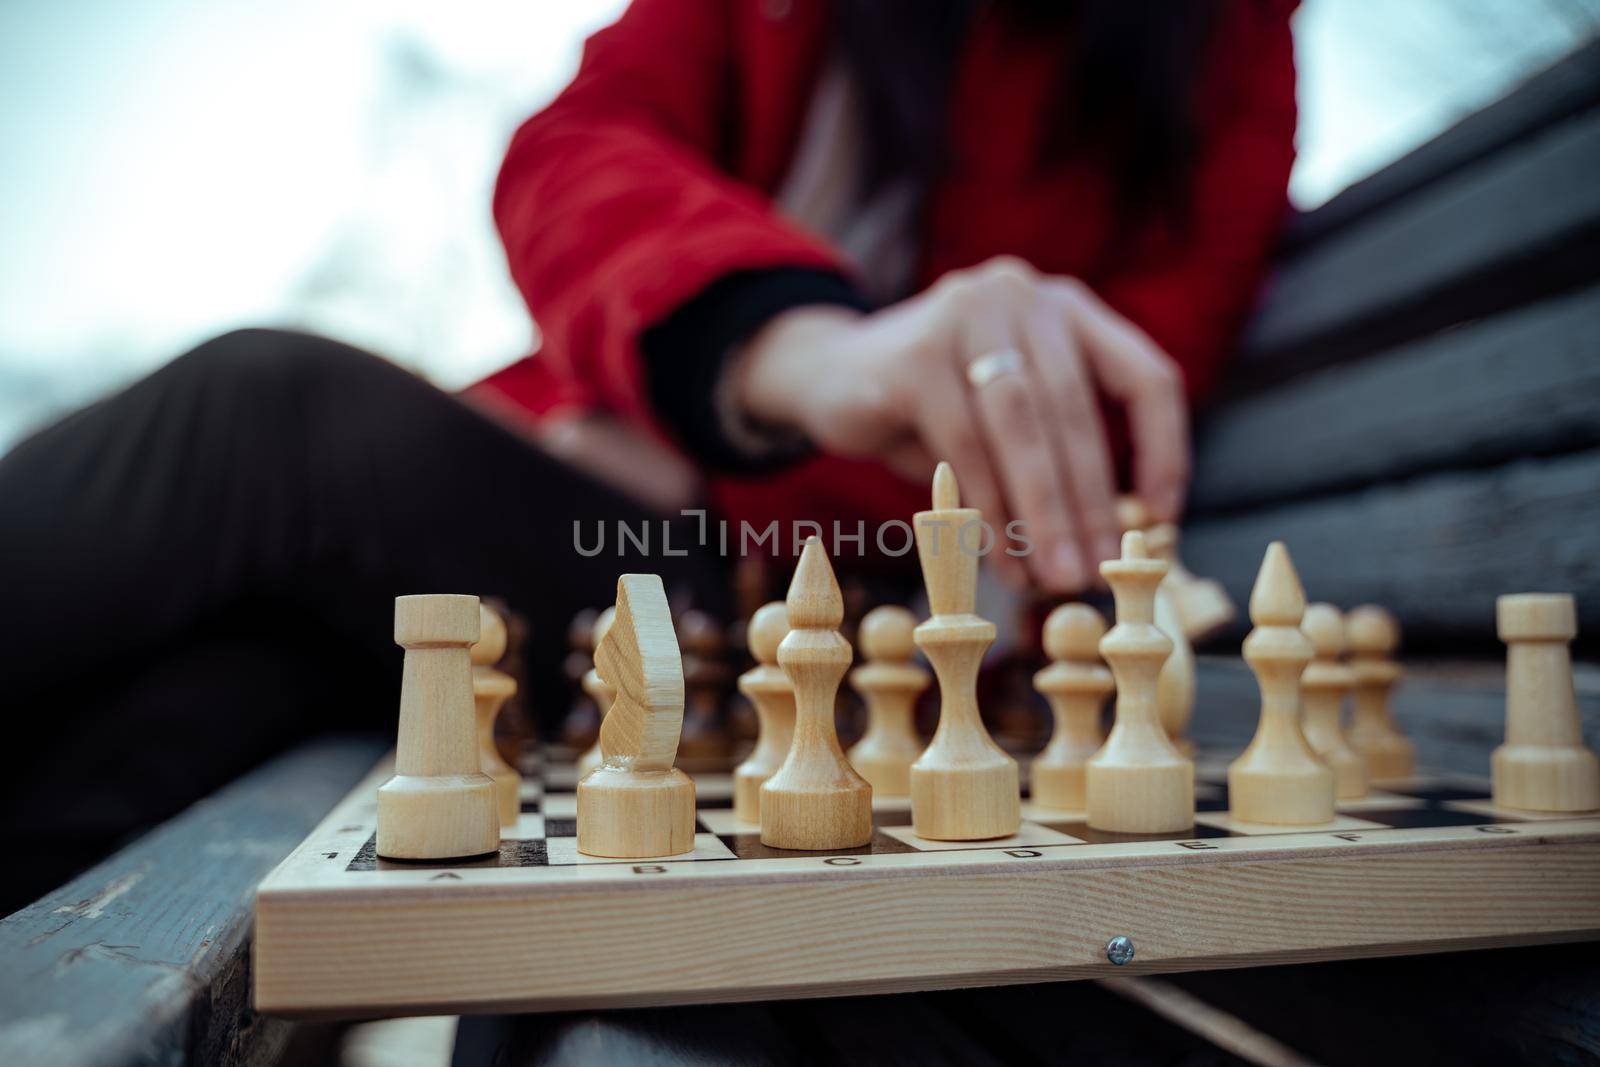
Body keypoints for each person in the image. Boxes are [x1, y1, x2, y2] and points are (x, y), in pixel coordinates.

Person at [0, 0, 1296, 912]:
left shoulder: (1223, 44)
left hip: (805, 605)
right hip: (601, 487)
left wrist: (719, 473)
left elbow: (1108, 439)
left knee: (263, 412)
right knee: (213, 691)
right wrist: (784, 353)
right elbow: (567, 153)